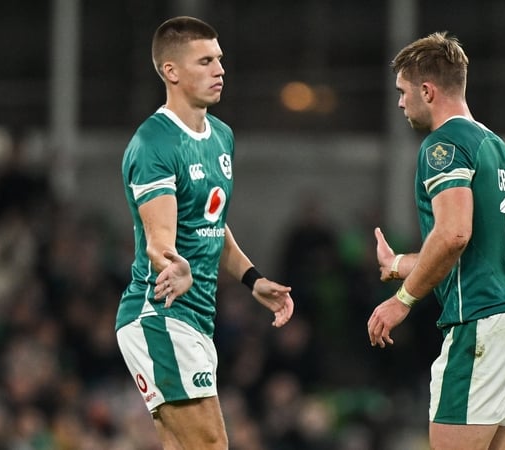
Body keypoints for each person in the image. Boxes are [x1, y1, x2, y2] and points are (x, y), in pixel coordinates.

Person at [115, 16, 294, 450]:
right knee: (212, 444)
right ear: (171, 71)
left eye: (220, 60)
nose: (220, 70)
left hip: (195, 318)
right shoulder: (154, 143)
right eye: (205, 61)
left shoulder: (222, 136)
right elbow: (160, 240)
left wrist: (252, 278)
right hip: (159, 314)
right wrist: (177, 268)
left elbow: (211, 223)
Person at [366, 32, 505, 450]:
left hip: (483, 323)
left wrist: (401, 301)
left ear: (426, 91)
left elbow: (453, 235)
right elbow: (473, 250)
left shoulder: (444, 144)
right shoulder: (500, 151)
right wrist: (397, 266)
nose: (399, 103)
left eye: (402, 91)